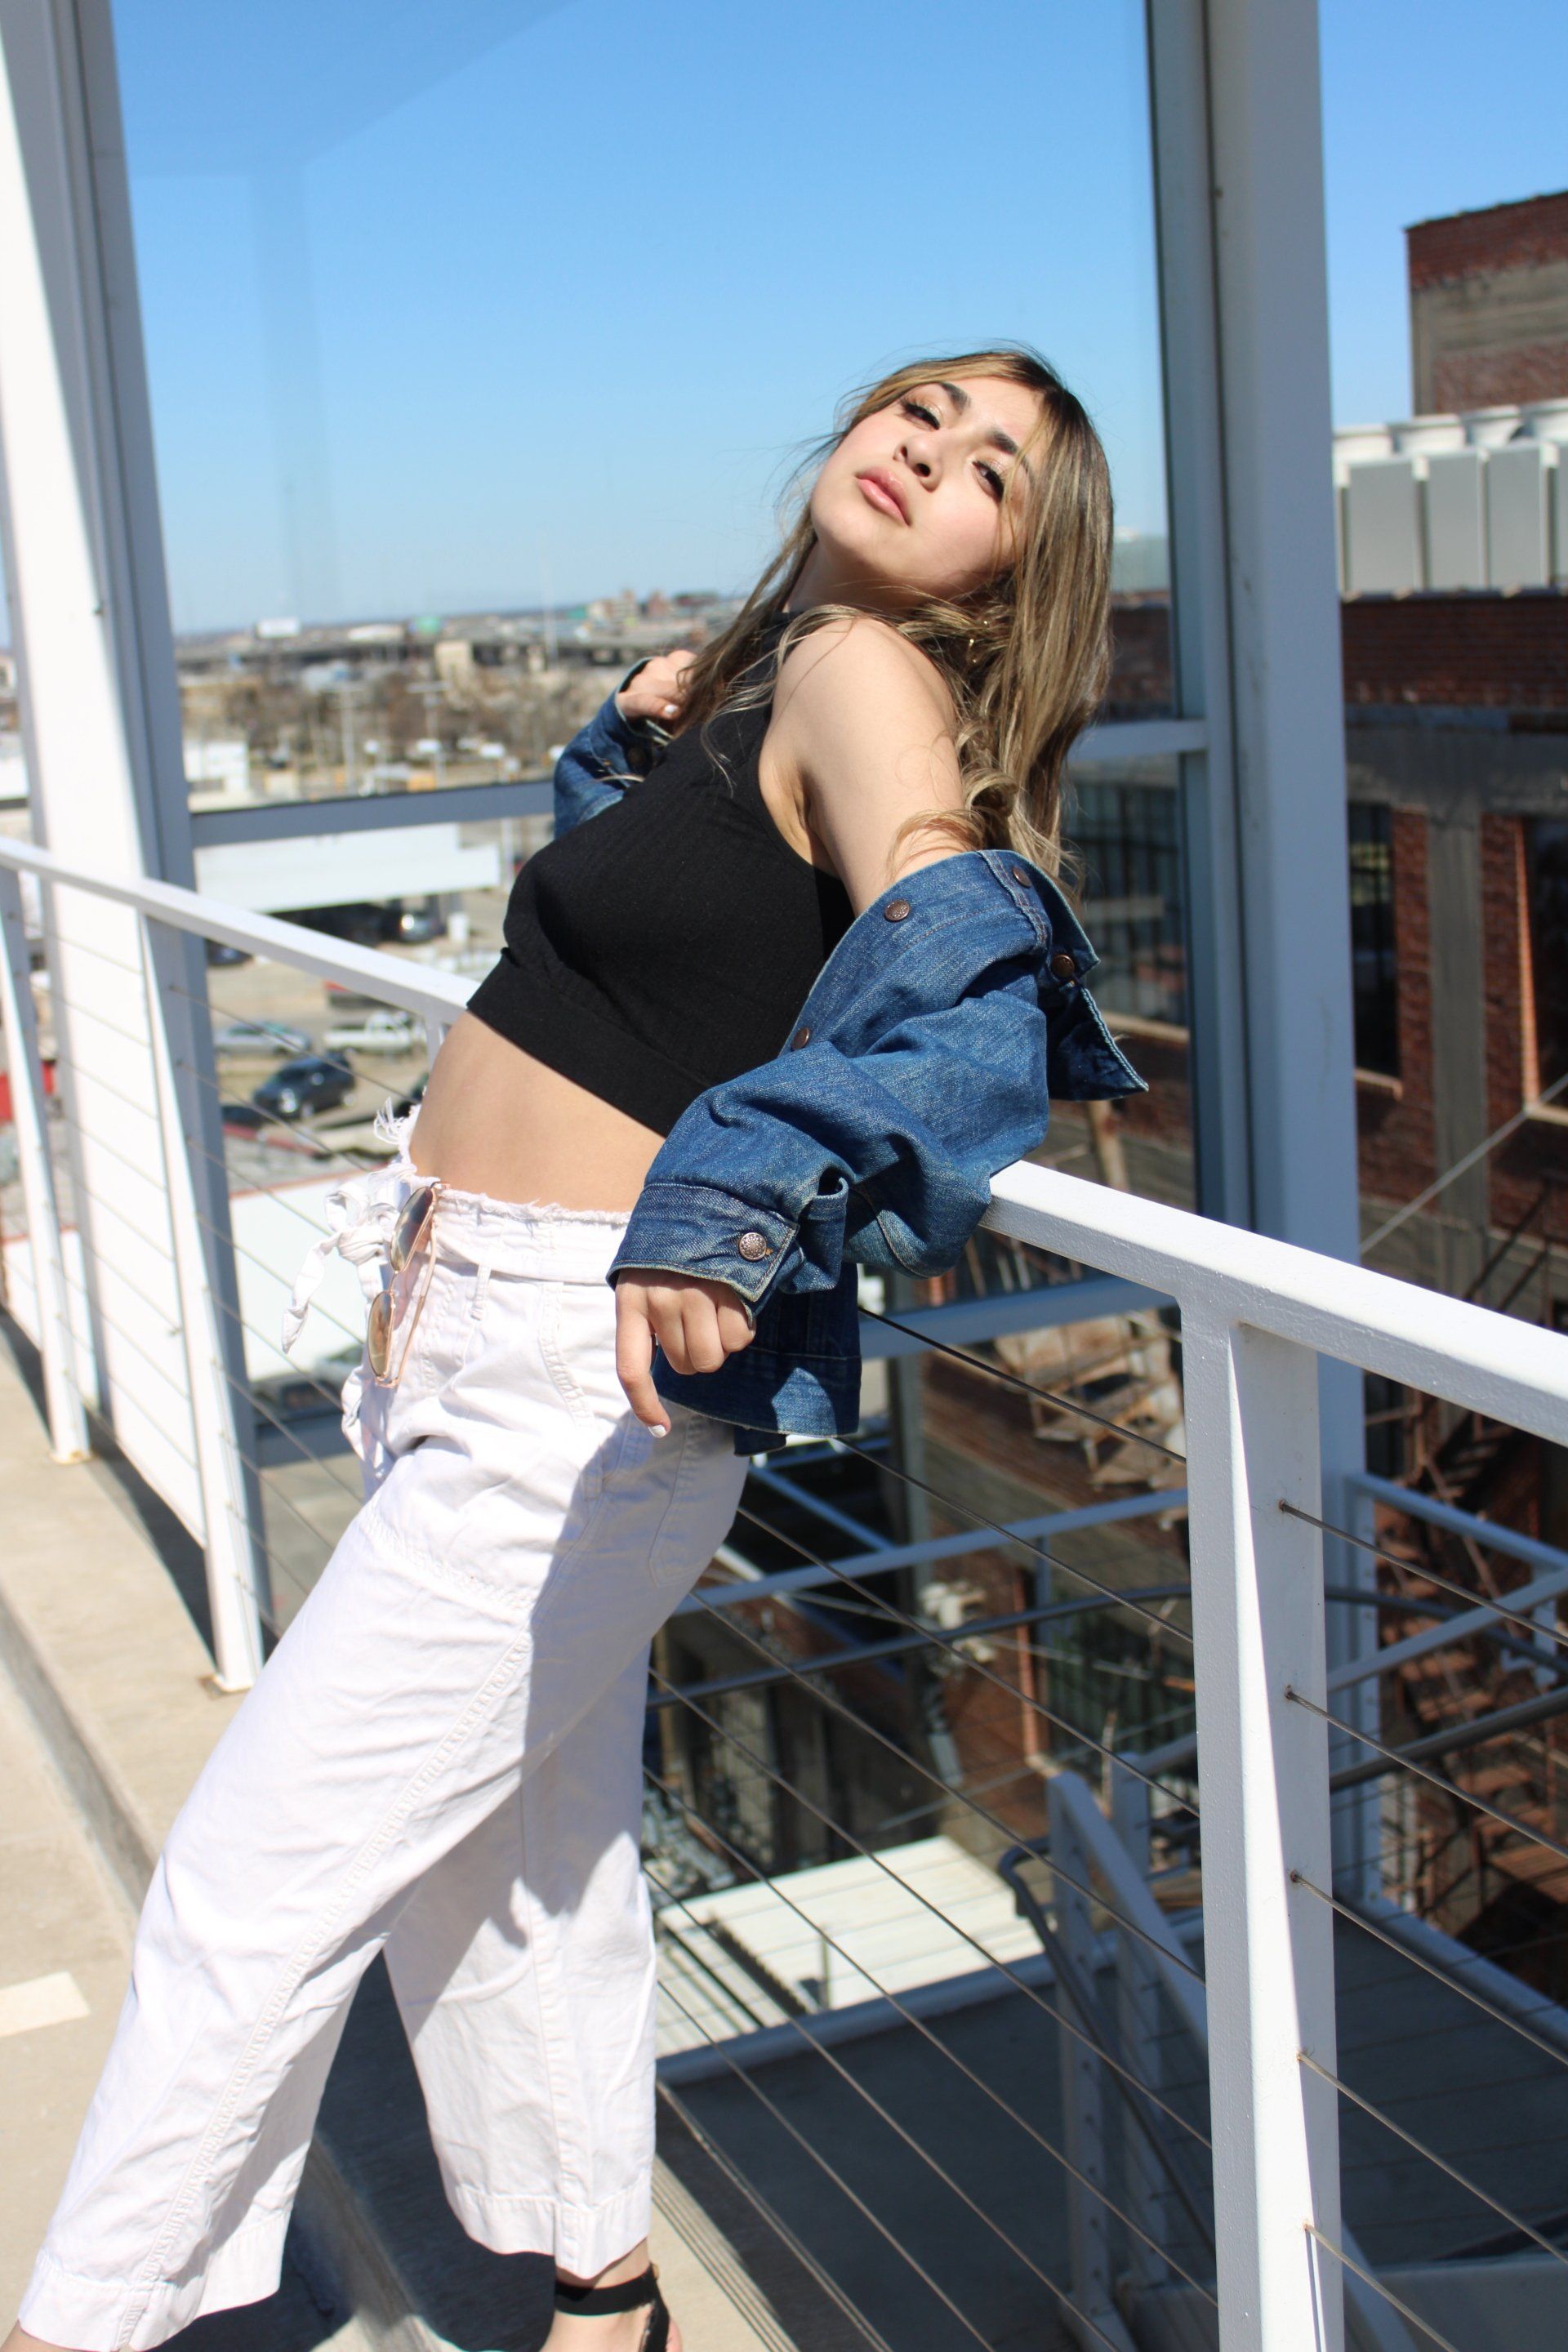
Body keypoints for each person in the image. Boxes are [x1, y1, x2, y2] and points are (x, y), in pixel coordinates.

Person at [9, 348, 1143, 2352]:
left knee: (253, 1887)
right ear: (851, 430)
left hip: (572, 1378)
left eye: (992, 472)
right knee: (518, 1880)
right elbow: (667, 961)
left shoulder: (870, 679)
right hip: (458, 1318)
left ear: (998, 576)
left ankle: (91, 2322)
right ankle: (606, 2291)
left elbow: (967, 977)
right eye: (926, 409)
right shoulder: (766, 668)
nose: (931, 456)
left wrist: (747, 1182)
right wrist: (621, 763)